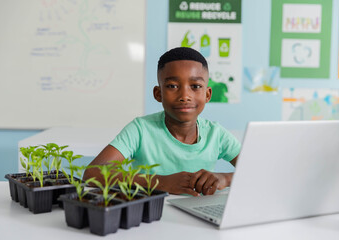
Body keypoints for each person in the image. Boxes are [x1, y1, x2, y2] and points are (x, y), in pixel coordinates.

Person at [83, 47, 241, 196]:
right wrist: (161, 182)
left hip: (198, 217)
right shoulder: (141, 129)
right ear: (158, 94)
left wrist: (225, 178)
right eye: (172, 86)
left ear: (207, 95)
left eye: (195, 86)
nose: (185, 95)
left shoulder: (217, 135)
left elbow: (259, 170)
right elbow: (92, 173)